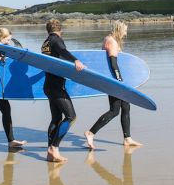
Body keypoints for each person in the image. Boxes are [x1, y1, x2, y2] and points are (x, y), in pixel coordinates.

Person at [84, 20, 142, 149]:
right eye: (125, 31)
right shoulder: (113, 42)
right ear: (119, 30)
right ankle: (90, 132)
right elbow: (113, 64)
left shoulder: (108, 38)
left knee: (125, 107)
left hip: (111, 79)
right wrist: (119, 82)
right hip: (114, 80)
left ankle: (127, 138)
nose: (126, 34)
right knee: (114, 110)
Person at [41, 18, 85, 163]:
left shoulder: (45, 43)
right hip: (56, 86)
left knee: (56, 119)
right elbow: (63, 51)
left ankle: (51, 153)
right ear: (60, 31)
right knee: (71, 116)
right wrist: (75, 60)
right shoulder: (56, 40)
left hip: (48, 85)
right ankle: (54, 147)